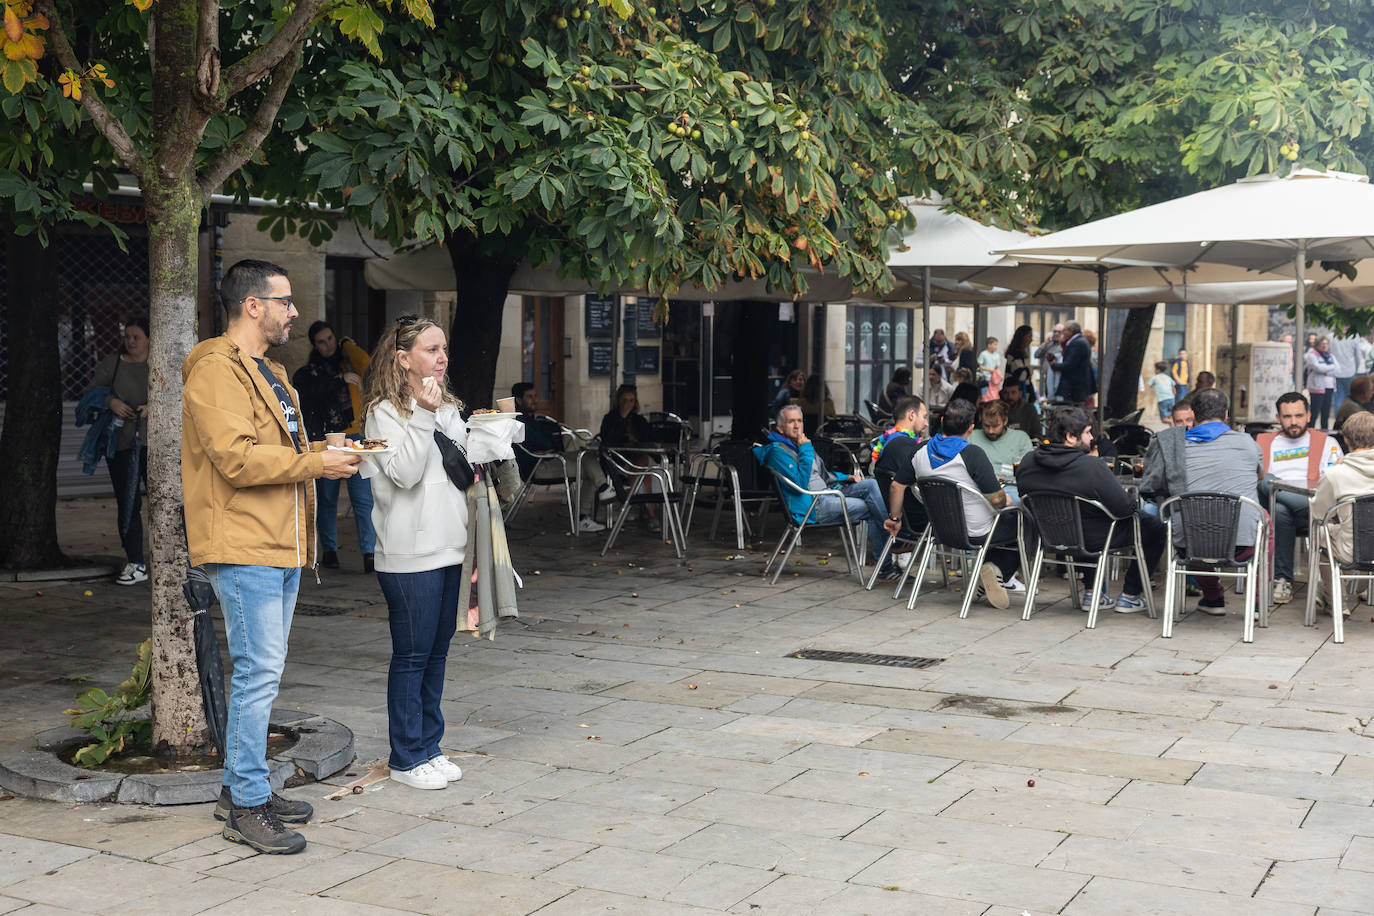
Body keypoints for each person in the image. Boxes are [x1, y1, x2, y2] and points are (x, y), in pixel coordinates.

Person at [183, 259, 363, 854]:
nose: (294, 312)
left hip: (280, 542)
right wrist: (316, 463)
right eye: (284, 301)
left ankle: (245, 787)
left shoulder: (271, 372)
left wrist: (329, 450)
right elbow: (236, 458)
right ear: (252, 305)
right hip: (244, 545)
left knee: (264, 673)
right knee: (257, 676)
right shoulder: (215, 372)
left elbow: (279, 450)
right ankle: (246, 803)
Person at [359, 315, 471, 792]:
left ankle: (430, 746)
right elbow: (404, 474)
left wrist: (491, 436)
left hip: (450, 546)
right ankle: (406, 755)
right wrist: (424, 415)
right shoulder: (383, 412)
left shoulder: (447, 407)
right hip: (408, 555)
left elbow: (461, 469)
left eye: (443, 348)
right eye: (430, 349)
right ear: (403, 359)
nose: (441, 358)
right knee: (411, 654)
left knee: (438, 652)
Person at [1015, 406, 1165, 611]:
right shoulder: (1092, 467)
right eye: (1087, 432)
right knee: (1154, 527)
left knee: (1089, 518)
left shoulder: (1027, 462)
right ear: (1070, 437)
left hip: (1045, 536)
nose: (1092, 437)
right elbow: (1124, 508)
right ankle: (1130, 594)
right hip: (1093, 537)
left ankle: (1092, 593)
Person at [1139, 388, 1262, 616]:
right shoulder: (1248, 443)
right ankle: (1256, 603)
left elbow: (1150, 485)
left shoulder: (1172, 446)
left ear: (1193, 415)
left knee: (1191, 519)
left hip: (1189, 546)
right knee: (1266, 523)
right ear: (1226, 415)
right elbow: (1258, 476)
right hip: (1242, 546)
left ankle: (1213, 597)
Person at [755, 404, 898, 577]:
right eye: (791, 421)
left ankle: (891, 541)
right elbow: (801, 483)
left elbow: (821, 475)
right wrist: (806, 449)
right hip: (812, 505)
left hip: (828, 493)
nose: (797, 425)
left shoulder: (798, 445)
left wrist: (845, 477)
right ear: (780, 427)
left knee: (871, 484)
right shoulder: (778, 452)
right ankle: (888, 560)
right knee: (871, 507)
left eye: (799, 421)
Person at [912, 398, 1025, 608]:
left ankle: (985, 579)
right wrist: (1008, 499)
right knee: (1025, 520)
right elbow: (998, 501)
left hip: (940, 530)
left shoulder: (919, 452)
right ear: (972, 428)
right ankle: (997, 570)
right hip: (976, 531)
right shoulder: (972, 454)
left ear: (943, 420)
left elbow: (900, 484)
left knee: (1008, 521)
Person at [292, 321, 376, 572]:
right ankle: (329, 551)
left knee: (362, 498)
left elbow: (368, 365)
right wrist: (339, 380)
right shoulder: (312, 372)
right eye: (322, 341)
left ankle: (369, 553)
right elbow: (311, 394)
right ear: (314, 345)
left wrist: (347, 345)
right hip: (326, 439)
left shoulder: (348, 362)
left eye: (330, 338)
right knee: (326, 499)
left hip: (355, 435)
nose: (327, 345)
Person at [1256, 392, 1342, 605]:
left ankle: (1282, 579)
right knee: (1266, 482)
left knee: (1280, 505)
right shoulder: (1264, 442)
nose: (1293, 422)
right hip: (1277, 509)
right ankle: (1283, 579)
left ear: (1309, 416)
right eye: (1287, 416)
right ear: (1278, 418)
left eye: (1298, 415)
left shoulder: (1326, 442)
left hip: (1315, 514)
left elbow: (1336, 479)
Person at [87, 316, 150, 585]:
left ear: (149, 338)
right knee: (128, 502)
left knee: (168, 504)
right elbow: (91, 394)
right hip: (122, 444)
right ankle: (135, 561)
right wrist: (111, 402)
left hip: (156, 445)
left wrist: (153, 406)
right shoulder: (112, 364)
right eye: (127, 337)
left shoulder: (159, 363)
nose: (131, 342)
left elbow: (183, 394)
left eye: (136, 337)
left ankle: (176, 560)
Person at [513, 381, 611, 532]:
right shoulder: (520, 422)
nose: (535, 400)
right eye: (529, 397)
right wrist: (545, 445)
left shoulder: (536, 420)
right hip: (538, 468)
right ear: (519, 400)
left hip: (552, 459)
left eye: (535, 396)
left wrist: (546, 445)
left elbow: (554, 444)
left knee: (588, 456)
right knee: (591, 469)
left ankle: (603, 489)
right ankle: (584, 514)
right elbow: (545, 443)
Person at [1310, 411, 1374, 610]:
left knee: (1319, 532)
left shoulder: (1335, 474)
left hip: (1350, 550)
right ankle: (1355, 589)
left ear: (1345, 439)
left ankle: (1335, 598)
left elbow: (1319, 514)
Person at [599, 384, 660, 530]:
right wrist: (622, 418)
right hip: (618, 462)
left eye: (631, 401)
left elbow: (649, 439)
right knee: (643, 466)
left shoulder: (639, 420)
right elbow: (608, 439)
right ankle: (651, 514)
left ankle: (631, 504)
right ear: (618, 401)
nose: (628, 404)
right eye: (625, 400)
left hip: (638, 459)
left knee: (644, 463)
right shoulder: (610, 419)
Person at [876, 396, 931, 549]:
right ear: (912, 415)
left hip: (904, 517)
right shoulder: (903, 445)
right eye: (924, 417)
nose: (926, 423)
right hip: (916, 519)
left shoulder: (890, 441)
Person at [968, 401, 1034, 479]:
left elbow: (1029, 470)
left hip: (1012, 486)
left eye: (995, 426)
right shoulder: (971, 437)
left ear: (1005, 421)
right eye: (986, 425)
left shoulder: (1021, 438)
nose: (990, 431)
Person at [1052, 321, 1094, 404]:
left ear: (1070, 331)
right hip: (1077, 386)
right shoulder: (1079, 341)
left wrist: (1054, 365)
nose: (1062, 333)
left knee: (1072, 411)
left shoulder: (1077, 343)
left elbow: (1070, 364)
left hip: (1074, 387)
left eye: (1064, 330)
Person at [1329, 333, 1370, 409]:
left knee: (1338, 398)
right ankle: (1349, 418)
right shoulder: (1354, 336)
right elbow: (1358, 356)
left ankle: (1339, 418)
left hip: (1336, 372)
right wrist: (1356, 368)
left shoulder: (1331, 336)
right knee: (1352, 398)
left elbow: (1329, 353)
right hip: (1350, 371)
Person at [1306, 337, 1338, 429]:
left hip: (1330, 386)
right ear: (1317, 344)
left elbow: (1338, 369)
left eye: (1326, 343)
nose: (1324, 346)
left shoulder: (1330, 355)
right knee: (1314, 411)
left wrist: (1326, 370)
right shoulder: (1312, 355)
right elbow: (1317, 368)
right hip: (1317, 387)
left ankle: (1325, 431)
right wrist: (1331, 367)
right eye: (1322, 343)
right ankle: (1310, 430)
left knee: (1326, 412)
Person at [1003, 325, 1036, 402]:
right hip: (1016, 392)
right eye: (1029, 336)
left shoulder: (1023, 354)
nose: (1031, 340)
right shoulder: (1015, 354)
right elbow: (1022, 374)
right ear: (1023, 337)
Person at [1034, 324, 1064, 401]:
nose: (1056, 334)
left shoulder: (1063, 346)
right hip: (1048, 377)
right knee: (1049, 399)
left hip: (1058, 378)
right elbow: (1036, 354)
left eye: (1059, 332)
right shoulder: (1049, 344)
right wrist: (1045, 343)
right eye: (1055, 331)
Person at [1148, 360, 1176, 425]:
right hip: (1171, 398)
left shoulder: (1154, 378)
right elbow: (1174, 389)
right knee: (1170, 416)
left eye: (1155, 369)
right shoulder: (1168, 377)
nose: (1154, 371)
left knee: (1163, 419)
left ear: (1158, 370)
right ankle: (1172, 428)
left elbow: (1148, 386)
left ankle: (1171, 422)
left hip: (1162, 399)